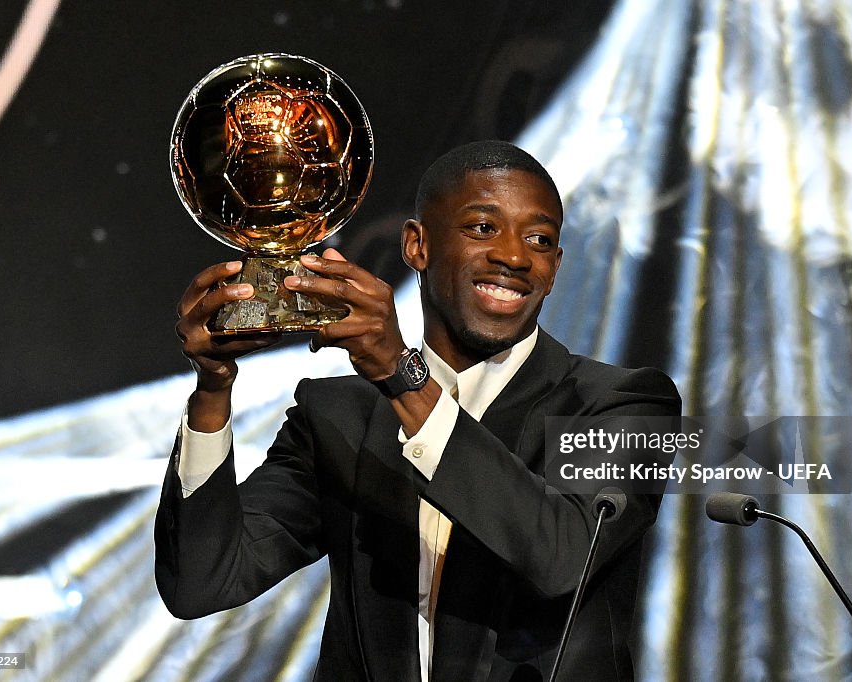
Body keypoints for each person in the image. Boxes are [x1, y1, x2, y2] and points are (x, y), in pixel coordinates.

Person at [155, 140, 681, 681]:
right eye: (482, 227)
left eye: (540, 240)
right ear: (417, 246)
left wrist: (400, 375)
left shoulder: (625, 404)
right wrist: (212, 392)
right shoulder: (337, 416)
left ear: (555, 267)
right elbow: (202, 583)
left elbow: (560, 556)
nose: (514, 256)